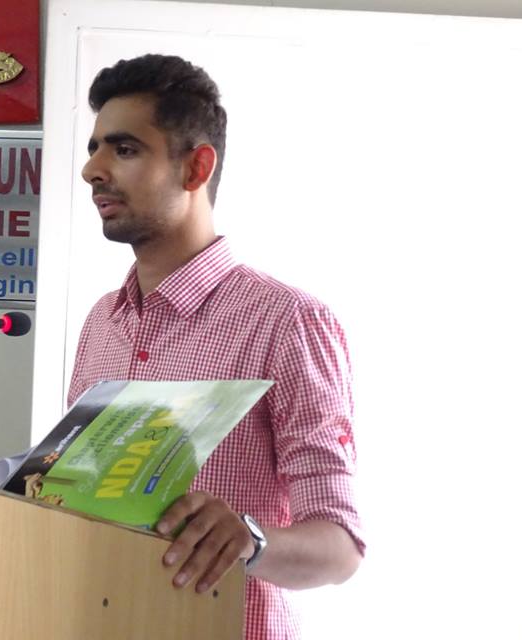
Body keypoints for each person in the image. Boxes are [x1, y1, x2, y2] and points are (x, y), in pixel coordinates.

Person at [68, 53, 364, 639]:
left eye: (124, 149)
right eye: (94, 148)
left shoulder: (287, 321)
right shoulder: (102, 321)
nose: (92, 170)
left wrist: (249, 540)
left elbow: (340, 548)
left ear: (196, 167)